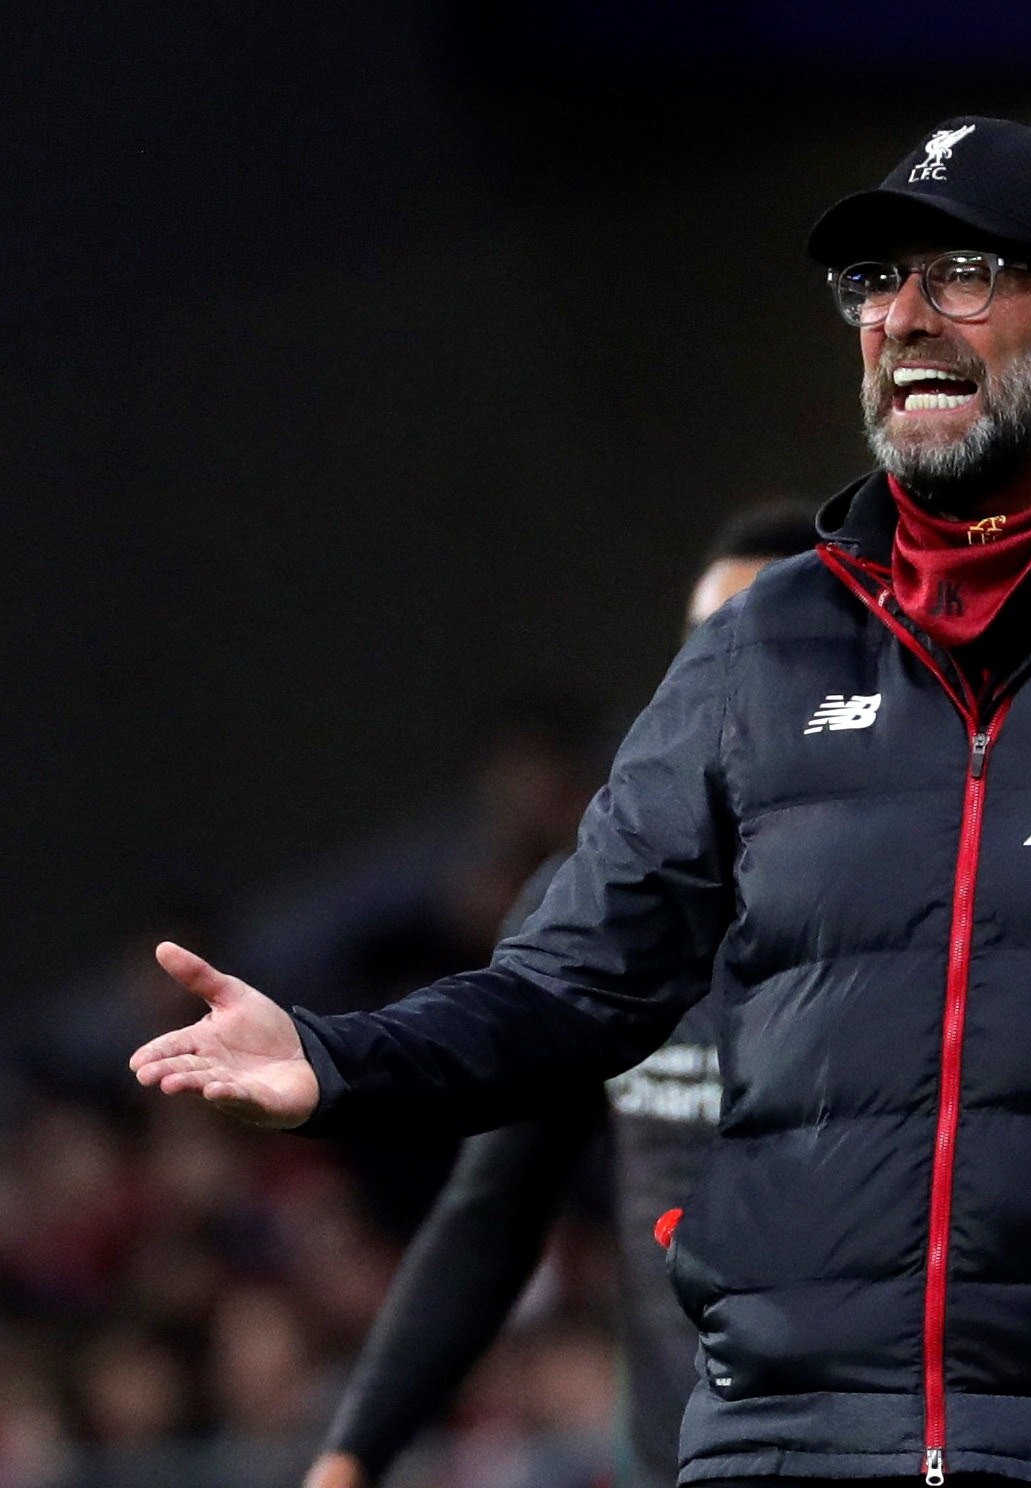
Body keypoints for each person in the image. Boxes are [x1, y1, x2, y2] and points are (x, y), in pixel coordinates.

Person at [133, 116, 1031, 1488]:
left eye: (963, 279)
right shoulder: (756, 651)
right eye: (876, 284)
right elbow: (568, 989)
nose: (905, 320)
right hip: (784, 1445)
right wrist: (335, 1058)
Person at [302, 503, 822, 1488]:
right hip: (678, 1466)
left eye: (772, 650)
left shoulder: (930, 907)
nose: (731, 684)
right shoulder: (601, 913)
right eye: (705, 652)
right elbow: (495, 1208)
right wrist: (351, 1455)